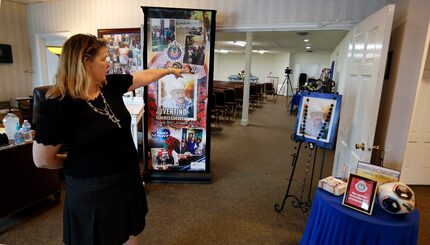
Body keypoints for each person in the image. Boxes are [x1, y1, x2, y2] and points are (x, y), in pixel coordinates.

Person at [32, 34, 185, 245]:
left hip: (127, 179)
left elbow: (142, 76)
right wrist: (71, 162)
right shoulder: (59, 105)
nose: (108, 63)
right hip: (93, 191)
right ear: (85, 62)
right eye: (103, 59)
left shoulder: (107, 86)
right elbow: (42, 159)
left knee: (130, 231)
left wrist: (168, 70)